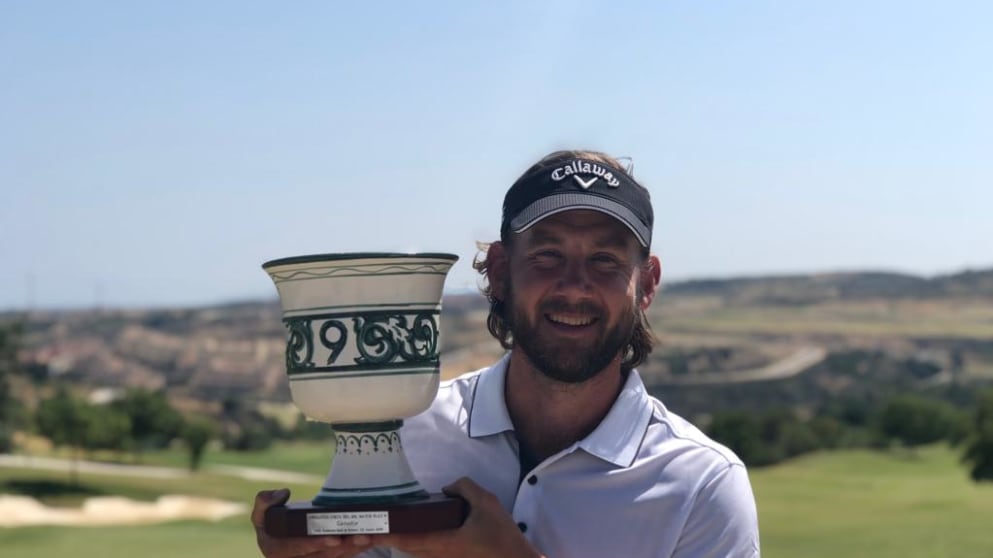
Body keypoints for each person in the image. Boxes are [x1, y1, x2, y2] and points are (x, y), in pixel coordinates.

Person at [252, 149, 760, 557]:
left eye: (605, 260)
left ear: (645, 284)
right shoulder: (408, 432)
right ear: (498, 270)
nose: (574, 286)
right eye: (546, 254)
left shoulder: (702, 487)